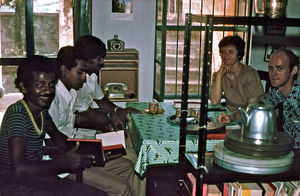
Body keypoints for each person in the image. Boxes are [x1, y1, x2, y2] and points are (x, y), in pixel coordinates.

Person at [0, 55, 106, 195]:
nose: (48, 91)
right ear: (23, 87)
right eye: (40, 85)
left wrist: (94, 154)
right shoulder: (18, 115)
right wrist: (61, 163)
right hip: (18, 189)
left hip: (36, 181)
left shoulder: (42, 111)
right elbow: (19, 169)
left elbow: (60, 140)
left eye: (51, 85)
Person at [49, 46, 134, 196]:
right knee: (121, 188)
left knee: (126, 166)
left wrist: (98, 150)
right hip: (64, 167)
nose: (84, 78)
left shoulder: (71, 92)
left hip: (76, 154)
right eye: (80, 72)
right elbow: (52, 144)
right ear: (63, 70)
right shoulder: (53, 99)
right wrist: (92, 153)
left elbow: (75, 121)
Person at [73, 35, 140, 134]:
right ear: (87, 59)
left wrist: (119, 110)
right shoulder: (73, 83)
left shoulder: (91, 77)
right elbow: (80, 117)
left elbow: (102, 100)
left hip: (89, 131)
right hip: (75, 135)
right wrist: (111, 117)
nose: (102, 62)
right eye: (99, 59)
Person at [209, 35, 264, 123]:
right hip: (230, 117)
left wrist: (232, 117)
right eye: (223, 51)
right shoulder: (219, 74)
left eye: (231, 52)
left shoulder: (249, 74)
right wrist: (219, 76)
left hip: (250, 119)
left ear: (239, 53)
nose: (226, 55)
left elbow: (252, 109)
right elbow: (214, 101)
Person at [259, 49, 300, 148]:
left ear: (293, 70)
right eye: (271, 68)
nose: (273, 73)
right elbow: (254, 112)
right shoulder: (271, 97)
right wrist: (231, 117)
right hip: (278, 153)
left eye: (279, 68)